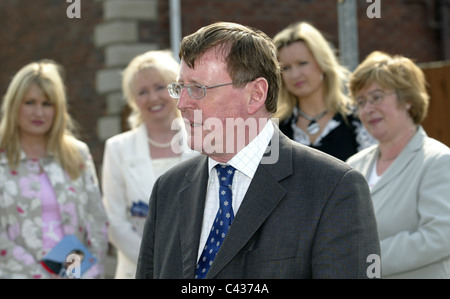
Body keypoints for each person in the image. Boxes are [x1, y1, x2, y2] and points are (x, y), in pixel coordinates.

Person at [135, 21, 380, 279]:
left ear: (255, 94)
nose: (182, 103)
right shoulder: (168, 190)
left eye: (198, 89)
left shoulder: (333, 188)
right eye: (180, 88)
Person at [0, 59, 108, 278]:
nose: (38, 112)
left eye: (47, 103)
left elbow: (96, 222)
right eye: (30, 102)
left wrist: (78, 273)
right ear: (14, 105)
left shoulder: (77, 154)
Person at [346, 51, 450, 278]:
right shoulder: (353, 165)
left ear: (408, 100)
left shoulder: (438, 160)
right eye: (361, 102)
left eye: (376, 97)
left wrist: (363, 259)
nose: (367, 109)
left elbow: (441, 235)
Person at [101, 50, 198, 279]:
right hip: (136, 271)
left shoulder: (201, 142)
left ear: (176, 89)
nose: (153, 98)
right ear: (134, 100)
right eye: (142, 92)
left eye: (159, 87)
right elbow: (114, 222)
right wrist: (155, 263)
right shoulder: (117, 148)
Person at [272, 22, 375, 161]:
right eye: (286, 68)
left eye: (302, 63)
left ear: (322, 62)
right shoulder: (274, 129)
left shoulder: (358, 120)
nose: (295, 74)